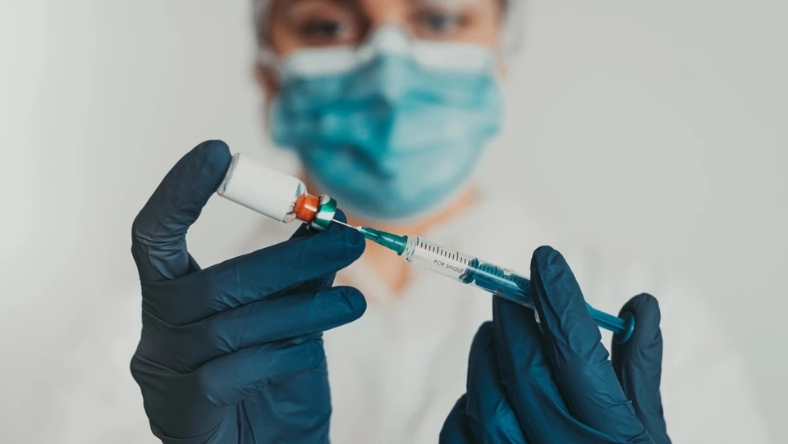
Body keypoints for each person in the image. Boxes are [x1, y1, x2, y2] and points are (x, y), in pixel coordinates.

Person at [129, 0, 769, 443]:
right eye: (327, 24)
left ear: (500, 59)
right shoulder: (174, 353)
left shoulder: (651, 321)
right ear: (269, 77)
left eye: (438, 17)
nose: (388, 66)